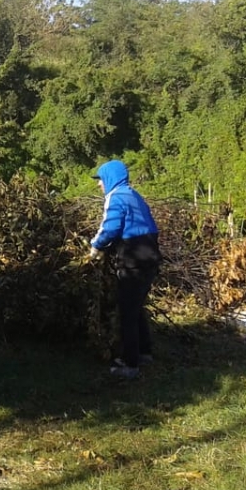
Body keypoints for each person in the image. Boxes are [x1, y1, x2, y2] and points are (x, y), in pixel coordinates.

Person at [88, 159, 161, 378]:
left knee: (127, 312)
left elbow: (110, 227)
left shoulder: (116, 197)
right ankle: (144, 352)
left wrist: (95, 247)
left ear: (109, 178)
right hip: (150, 258)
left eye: (100, 180)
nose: (99, 185)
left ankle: (130, 364)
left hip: (133, 260)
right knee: (137, 307)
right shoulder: (134, 195)